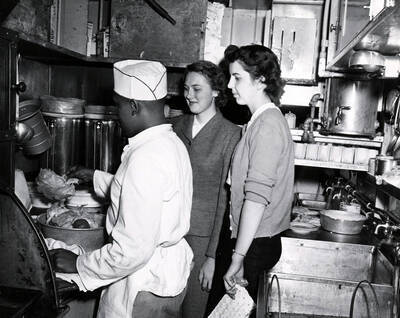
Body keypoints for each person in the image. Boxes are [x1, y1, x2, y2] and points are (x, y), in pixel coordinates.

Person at [50, 59, 194, 318]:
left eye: (118, 107)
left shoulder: (146, 157)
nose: (116, 116)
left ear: (134, 106)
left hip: (142, 285)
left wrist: (79, 264)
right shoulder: (171, 143)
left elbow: (132, 251)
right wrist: (93, 176)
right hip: (165, 277)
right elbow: (144, 197)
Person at [222, 44, 294, 309]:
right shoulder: (257, 122)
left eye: (238, 77)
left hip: (255, 243)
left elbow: (256, 198)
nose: (230, 84)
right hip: (252, 240)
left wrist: (238, 257)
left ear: (261, 80)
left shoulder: (267, 125)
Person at [172, 60, 241, 318]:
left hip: (201, 240)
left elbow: (226, 201)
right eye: (186, 88)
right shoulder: (176, 127)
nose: (189, 95)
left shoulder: (230, 135)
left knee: (193, 310)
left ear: (215, 91)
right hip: (168, 235)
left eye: (197, 89)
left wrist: (212, 257)